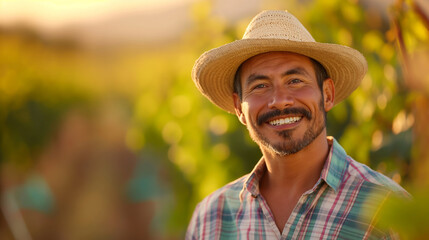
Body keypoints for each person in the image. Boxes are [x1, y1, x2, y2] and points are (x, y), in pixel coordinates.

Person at [186, 10, 409, 239]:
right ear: (238, 108)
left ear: (327, 94)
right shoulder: (210, 220)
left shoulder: (388, 210)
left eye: (295, 81)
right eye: (260, 86)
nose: (280, 100)